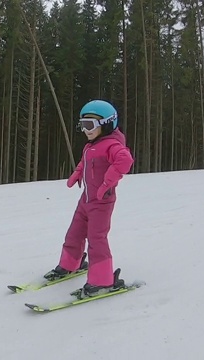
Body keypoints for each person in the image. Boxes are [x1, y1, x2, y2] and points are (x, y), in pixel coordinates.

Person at [43, 99, 134, 298]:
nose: (86, 130)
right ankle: (70, 264)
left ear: (108, 123)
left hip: (102, 201)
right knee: (74, 233)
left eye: (90, 125)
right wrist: (77, 173)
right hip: (86, 199)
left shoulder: (111, 145)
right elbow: (86, 162)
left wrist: (107, 182)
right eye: (83, 124)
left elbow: (125, 161)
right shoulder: (92, 146)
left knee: (96, 239)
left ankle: (102, 281)